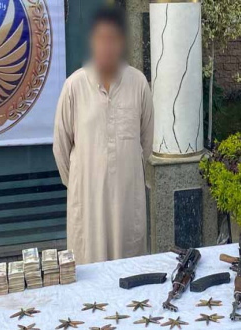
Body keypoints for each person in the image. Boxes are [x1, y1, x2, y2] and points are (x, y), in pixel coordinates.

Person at [53, 5, 153, 265]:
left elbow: (147, 142)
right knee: (90, 274)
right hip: (89, 206)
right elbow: (61, 148)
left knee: (129, 271)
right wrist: (84, 181)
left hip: (127, 202)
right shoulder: (74, 86)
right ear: (92, 42)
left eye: (113, 39)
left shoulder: (138, 84)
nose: (107, 46)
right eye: (101, 39)